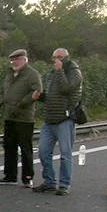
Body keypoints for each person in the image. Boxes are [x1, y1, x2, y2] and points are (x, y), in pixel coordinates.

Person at [36, 47, 84, 195]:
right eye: (55, 57)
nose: (57, 60)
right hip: (50, 118)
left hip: (65, 118)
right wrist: (41, 96)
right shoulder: (51, 74)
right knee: (43, 152)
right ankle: (49, 181)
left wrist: (59, 71)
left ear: (67, 58)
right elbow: (53, 94)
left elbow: (67, 89)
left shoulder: (74, 72)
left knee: (65, 153)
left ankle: (64, 184)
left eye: (60, 57)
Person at [0, 48, 43, 187]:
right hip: (9, 115)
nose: (14, 62)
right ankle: (10, 176)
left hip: (24, 117)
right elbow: (8, 90)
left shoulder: (32, 74)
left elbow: (37, 91)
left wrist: (22, 103)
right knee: (9, 146)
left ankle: (27, 176)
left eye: (17, 59)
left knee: (25, 148)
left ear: (24, 60)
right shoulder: (10, 74)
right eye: (12, 59)